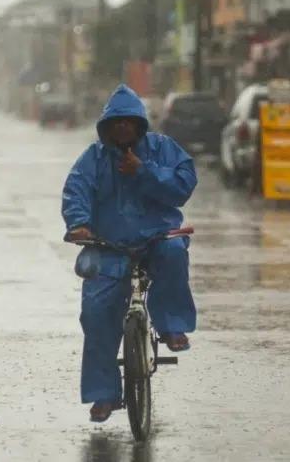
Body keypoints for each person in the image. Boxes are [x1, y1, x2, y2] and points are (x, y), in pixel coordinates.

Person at [61, 84, 198, 423]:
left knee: (173, 253)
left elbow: (182, 186)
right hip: (110, 247)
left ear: (139, 124)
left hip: (156, 238)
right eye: (116, 123)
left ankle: (171, 326)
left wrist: (143, 171)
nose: (122, 128)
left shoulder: (163, 149)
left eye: (129, 122)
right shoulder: (93, 158)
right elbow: (76, 190)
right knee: (96, 313)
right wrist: (79, 223)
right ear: (107, 126)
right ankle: (104, 394)